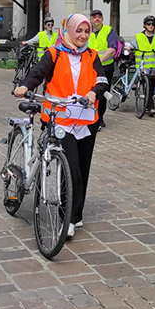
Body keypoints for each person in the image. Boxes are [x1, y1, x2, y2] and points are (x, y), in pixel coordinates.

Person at [13, 13, 107, 238]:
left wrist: (94, 92)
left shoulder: (92, 55)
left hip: (86, 120)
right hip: (60, 120)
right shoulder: (54, 53)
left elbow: (102, 80)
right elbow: (37, 73)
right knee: (71, 167)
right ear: (68, 31)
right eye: (79, 31)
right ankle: (68, 218)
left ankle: (77, 213)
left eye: (86, 32)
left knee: (83, 169)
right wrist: (25, 87)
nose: (83, 36)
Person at [87, 9, 119, 129]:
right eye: (94, 17)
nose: (97, 19)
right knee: (89, 91)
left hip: (106, 68)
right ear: (91, 19)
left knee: (103, 93)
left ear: (102, 19)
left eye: (99, 17)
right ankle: (89, 116)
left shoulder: (108, 31)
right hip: (89, 68)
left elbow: (111, 49)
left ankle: (100, 118)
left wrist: (98, 62)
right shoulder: (87, 31)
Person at [134, 15, 155, 116]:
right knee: (148, 86)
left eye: (153, 24)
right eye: (148, 24)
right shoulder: (139, 37)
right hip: (143, 66)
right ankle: (151, 107)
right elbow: (132, 45)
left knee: (152, 87)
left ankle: (147, 105)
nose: (151, 26)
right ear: (144, 25)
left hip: (154, 67)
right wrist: (129, 48)